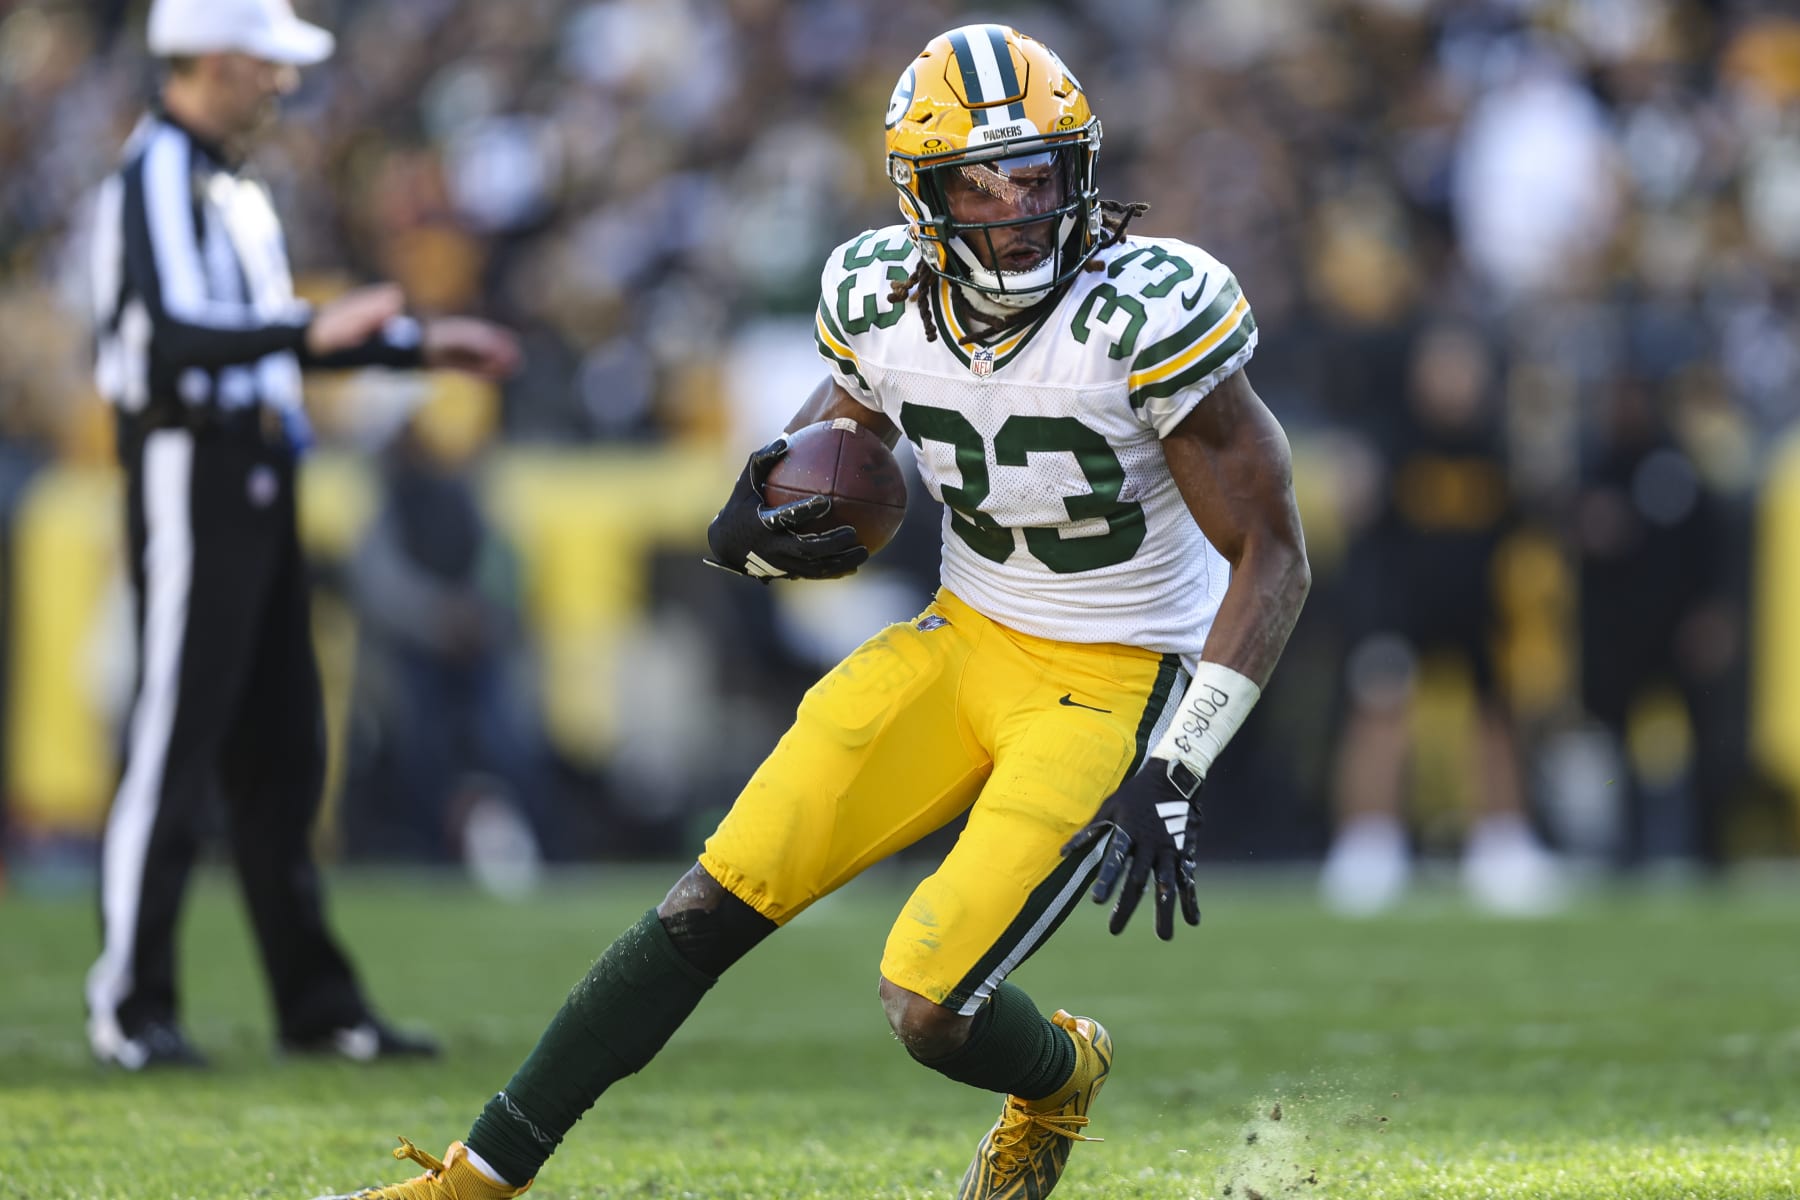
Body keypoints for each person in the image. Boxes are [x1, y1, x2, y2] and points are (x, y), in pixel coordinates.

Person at [325, 24, 1308, 1200]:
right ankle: (478, 1182)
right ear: (922, 196)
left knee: (929, 1005)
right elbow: (827, 449)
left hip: (1113, 675)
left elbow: (1274, 556)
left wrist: (1179, 765)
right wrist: (756, 518)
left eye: (1039, 174)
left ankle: (1057, 1076)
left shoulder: (1149, 310)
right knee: (709, 902)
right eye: (981, 185)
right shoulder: (882, 296)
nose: (1019, 211)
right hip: (965, 639)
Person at [86, 0, 520, 1070]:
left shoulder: (230, 184)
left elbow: (269, 342)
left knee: (284, 747)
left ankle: (315, 1004)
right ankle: (129, 1003)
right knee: (177, 736)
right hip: (192, 464)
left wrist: (411, 350)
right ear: (214, 58)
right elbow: (173, 336)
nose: (282, 82)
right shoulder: (157, 171)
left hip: (257, 468)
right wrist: (305, 327)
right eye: (266, 62)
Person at [1319, 321, 1563, 916]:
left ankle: (1502, 843)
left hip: (1478, 610)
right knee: (1380, 717)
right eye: (1442, 369)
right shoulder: (1392, 440)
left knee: (1495, 722)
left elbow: (1532, 521)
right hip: (1399, 608)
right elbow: (1359, 523)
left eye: (1463, 370)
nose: (1453, 383)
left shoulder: (1497, 445)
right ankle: (1368, 846)